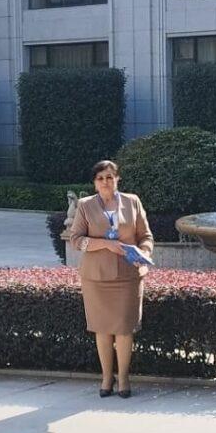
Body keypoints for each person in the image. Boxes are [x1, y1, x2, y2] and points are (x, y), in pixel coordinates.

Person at [69, 160, 154, 398]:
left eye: (109, 177)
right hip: (96, 277)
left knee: (125, 329)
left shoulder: (132, 201)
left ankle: (124, 378)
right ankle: (107, 377)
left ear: (117, 179)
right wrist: (105, 244)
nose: (105, 182)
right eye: (100, 178)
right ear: (94, 183)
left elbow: (146, 236)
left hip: (128, 276)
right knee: (102, 329)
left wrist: (144, 253)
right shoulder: (85, 205)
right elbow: (76, 240)